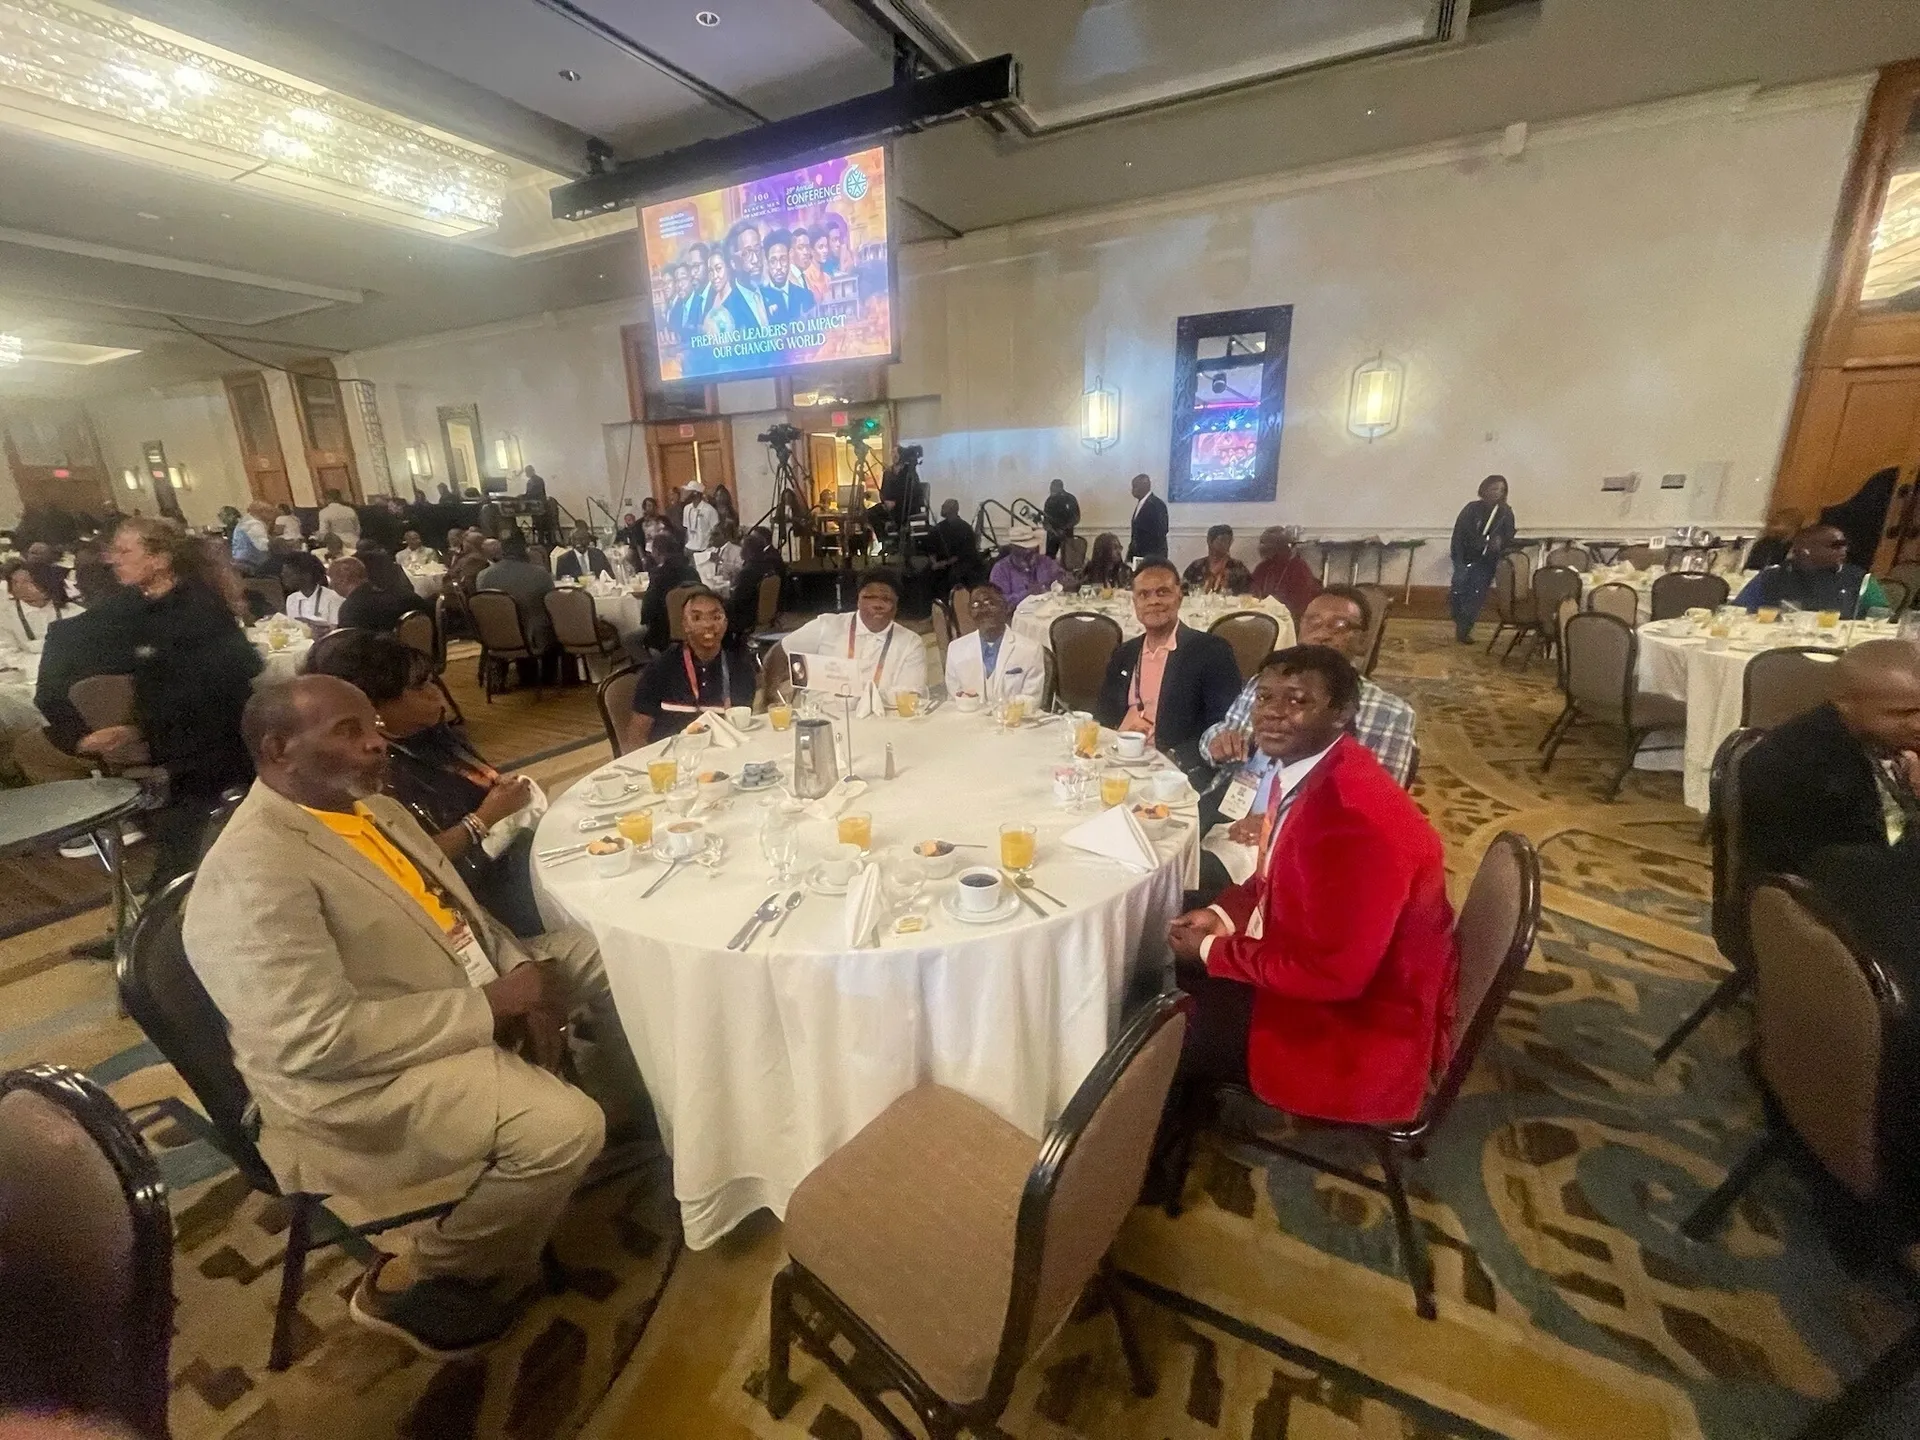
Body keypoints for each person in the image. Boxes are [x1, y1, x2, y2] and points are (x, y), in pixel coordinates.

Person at [182, 675, 641, 1357]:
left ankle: (626, 1098)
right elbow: (315, 1041)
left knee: (615, 958)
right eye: (347, 731)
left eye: (372, 723)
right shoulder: (252, 874)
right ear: (279, 750)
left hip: (450, 989)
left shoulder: (375, 811)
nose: (376, 742)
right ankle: (412, 1276)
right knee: (564, 1129)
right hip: (355, 1081)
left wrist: (518, 971)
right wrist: (490, 1008)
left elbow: (463, 918)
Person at [1146, 646, 1457, 1204]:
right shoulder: (1321, 772)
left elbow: (1333, 976)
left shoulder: (1353, 817)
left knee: (1159, 1015)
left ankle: (1146, 1172)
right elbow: (1271, 879)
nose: (1272, 712)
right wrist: (1220, 915)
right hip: (1334, 972)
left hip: (1354, 1029)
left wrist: (1215, 953)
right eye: (1266, 697)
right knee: (1173, 947)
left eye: (1298, 701)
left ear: (1341, 714)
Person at [305, 631, 545, 937]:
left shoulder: (430, 734)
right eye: (420, 687)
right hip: (468, 900)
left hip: (505, 856)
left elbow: (478, 779)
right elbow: (409, 861)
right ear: (374, 708)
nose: (436, 692)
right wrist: (484, 817)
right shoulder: (372, 775)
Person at [78, 518, 262, 890]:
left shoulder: (197, 609)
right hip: (183, 746)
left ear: (160, 559)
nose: (114, 560)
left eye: (126, 551)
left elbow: (235, 672)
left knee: (189, 848)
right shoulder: (146, 609)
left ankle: (152, 934)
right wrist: (134, 727)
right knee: (192, 848)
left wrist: (141, 727)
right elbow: (159, 684)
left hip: (213, 748)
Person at [1738, 639, 1920, 881]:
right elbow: (1830, 870)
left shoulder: (1879, 739)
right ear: (1844, 703)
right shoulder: (1796, 764)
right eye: (1901, 713)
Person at [1201, 586, 1415, 788]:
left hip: (1315, 820)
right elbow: (1220, 731)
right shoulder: (1265, 684)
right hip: (1233, 803)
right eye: (1313, 622)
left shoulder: (1390, 714)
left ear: (1363, 641)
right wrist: (1217, 743)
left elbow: (1378, 802)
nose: (1322, 634)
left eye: (1340, 626)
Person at [1093, 560, 1242, 754]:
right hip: (1121, 755)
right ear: (1135, 603)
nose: (1153, 601)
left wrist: (1173, 759)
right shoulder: (1125, 653)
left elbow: (1221, 726)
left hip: (1173, 765)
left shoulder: (1210, 651)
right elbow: (1104, 715)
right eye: (1143, 594)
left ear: (1179, 597)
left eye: (1162, 592)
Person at [625, 590, 757, 749]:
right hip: (672, 762)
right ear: (685, 625)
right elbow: (636, 735)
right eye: (696, 618)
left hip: (724, 760)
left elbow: (741, 730)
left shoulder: (741, 669)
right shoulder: (660, 669)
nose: (708, 625)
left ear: (726, 623)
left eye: (716, 617)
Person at [781, 569, 928, 704]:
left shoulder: (911, 643)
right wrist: (770, 695)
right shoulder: (827, 626)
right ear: (858, 600)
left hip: (882, 723)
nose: (877, 604)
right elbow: (781, 650)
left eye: (886, 599)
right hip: (825, 719)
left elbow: (911, 696)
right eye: (870, 597)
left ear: (896, 606)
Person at [1733, 523, 1888, 616]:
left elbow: (1882, 618)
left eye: (1844, 545)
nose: (1843, 550)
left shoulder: (1859, 579)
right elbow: (1737, 613)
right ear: (1806, 550)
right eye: (1835, 546)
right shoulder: (1772, 577)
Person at [943, 583, 1045, 705]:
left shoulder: (1030, 650)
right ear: (969, 612)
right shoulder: (956, 650)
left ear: (1006, 608)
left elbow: (1031, 701)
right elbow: (954, 702)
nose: (983, 610)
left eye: (990, 603)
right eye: (976, 605)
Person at [1448, 475, 1514, 644]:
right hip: (1464, 557)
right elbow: (1459, 535)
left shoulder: (1505, 513)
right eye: (1493, 488)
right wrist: (1458, 560)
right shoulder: (1471, 509)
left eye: (1501, 490)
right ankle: (1458, 617)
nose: (1497, 493)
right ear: (1484, 489)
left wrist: (1500, 543)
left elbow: (1509, 537)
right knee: (1458, 590)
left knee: (1476, 595)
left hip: (1486, 561)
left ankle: (1464, 630)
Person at [476, 536, 556, 654]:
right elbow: (552, 602)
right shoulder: (539, 573)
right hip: (531, 637)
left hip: (493, 634)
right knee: (561, 633)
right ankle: (554, 672)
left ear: (502, 552)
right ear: (525, 551)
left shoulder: (482, 576)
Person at [637, 533, 702, 655]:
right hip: (694, 627)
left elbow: (647, 612)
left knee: (629, 639)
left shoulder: (659, 575)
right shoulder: (692, 572)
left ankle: (656, 669)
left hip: (664, 633)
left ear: (656, 551)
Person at [0, 561, 81, 654]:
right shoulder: (4, 614)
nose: (19, 587)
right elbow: (5, 651)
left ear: (46, 583)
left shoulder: (75, 612)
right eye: (14, 582)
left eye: (27, 582)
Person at [988, 523, 1068, 609]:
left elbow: (1062, 578)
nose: (1030, 551)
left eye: (1033, 547)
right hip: (1014, 618)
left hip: (1048, 612)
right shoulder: (1001, 569)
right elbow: (998, 602)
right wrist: (1028, 594)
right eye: (1024, 548)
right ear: (1013, 548)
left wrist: (1066, 581)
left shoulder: (1045, 562)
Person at [1247, 526, 1321, 620]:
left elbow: (1302, 605)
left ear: (1283, 548)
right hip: (1263, 616)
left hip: (1290, 618)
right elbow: (1252, 593)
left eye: (1271, 549)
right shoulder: (1263, 567)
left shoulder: (1299, 568)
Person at [727, 528, 785, 641]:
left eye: (742, 548)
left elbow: (737, 601)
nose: (740, 551)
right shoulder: (768, 567)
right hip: (763, 612)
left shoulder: (748, 572)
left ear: (748, 551)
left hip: (748, 615)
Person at [327, 557, 407, 633]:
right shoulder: (405, 596)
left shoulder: (351, 609)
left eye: (331, 579)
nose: (330, 585)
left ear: (343, 580)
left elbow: (350, 645)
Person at [760, 228, 817, 323]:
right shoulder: (760, 300)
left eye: (782, 259)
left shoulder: (806, 296)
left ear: (789, 258)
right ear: (766, 263)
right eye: (773, 261)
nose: (778, 267)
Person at [1183, 525, 1252, 595]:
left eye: (1229, 540)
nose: (1226, 543)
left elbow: (1248, 595)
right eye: (1222, 539)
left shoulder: (1237, 567)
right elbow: (1183, 591)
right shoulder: (1196, 567)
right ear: (1209, 541)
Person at [280, 552, 343, 628]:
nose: (283, 579)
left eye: (288, 575)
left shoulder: (332, 598)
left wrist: (310, 622)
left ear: (306, 576)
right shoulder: (292, 599)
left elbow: (337, 630)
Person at [930, 499, 983, 590]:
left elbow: (965, 553)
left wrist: (946, 563)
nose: (942, 507)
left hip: (959, 563)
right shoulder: (938, 528)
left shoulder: (965, 528)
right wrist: (934, 563)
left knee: (955, 574)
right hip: (939, 564)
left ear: (953, 509)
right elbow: (931, 548)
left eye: (945, 506)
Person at [1126, 473, 1169, 566]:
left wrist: (1152, 559)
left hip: (1152, 557)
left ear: (1144, 487)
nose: (1132, 490)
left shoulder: (1157, 504)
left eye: (1135, 487)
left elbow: (1161, 532)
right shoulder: (1141, 504)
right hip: (1138, 556)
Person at [229, 501, 274, 574]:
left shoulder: (246, 521)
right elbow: (264, 547)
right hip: (252, 564)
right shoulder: (254, 524)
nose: (274, 515)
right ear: (262, 512)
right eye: (271, 512)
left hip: (241, 560)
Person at [1041, 479, 1080, 560]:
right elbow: (1046, 520)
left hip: (1066, 535)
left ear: (1060, 488)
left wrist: (1064, 528)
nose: (1051, 490)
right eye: (1051, 488)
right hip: (1052, 536)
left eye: (1053, 488)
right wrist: (1049, 528)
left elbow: (1076, 517)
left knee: (1068, 560)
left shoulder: (1070, 499)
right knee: (1049, 559)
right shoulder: (1049, 501)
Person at [681, 486, 720, 552]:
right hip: (690, 547)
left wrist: (710, 547)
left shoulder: (709, 509)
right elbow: (686, 529)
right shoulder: (687, 508)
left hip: (704, 548)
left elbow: (715, 530)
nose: (685, 494)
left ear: (695, 493)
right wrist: (686, 545)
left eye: (688, 491)